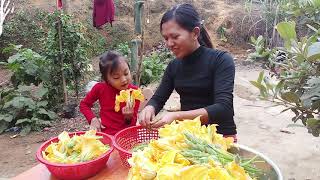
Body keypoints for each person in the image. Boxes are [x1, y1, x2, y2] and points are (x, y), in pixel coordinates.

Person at [139, 3, 237, 141]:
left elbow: (223, 108)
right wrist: (149, 108)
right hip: (190, 137)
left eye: (175, 36)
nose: (169, 43)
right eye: (166, 38)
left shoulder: (221, 60)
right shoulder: (173, 66)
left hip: (220, 138)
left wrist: (177, 116)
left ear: (195, 33)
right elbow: (158, 98)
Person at [80, 51, 140, 135]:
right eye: (116, 77)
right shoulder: (100, 88)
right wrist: (92, 119)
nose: (123, 79)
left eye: (126, 73)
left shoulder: (135, 93)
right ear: (106, 80)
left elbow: (131, 123)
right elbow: (84, 105)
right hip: (107, 136)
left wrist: (128, 117)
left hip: (128, 136)